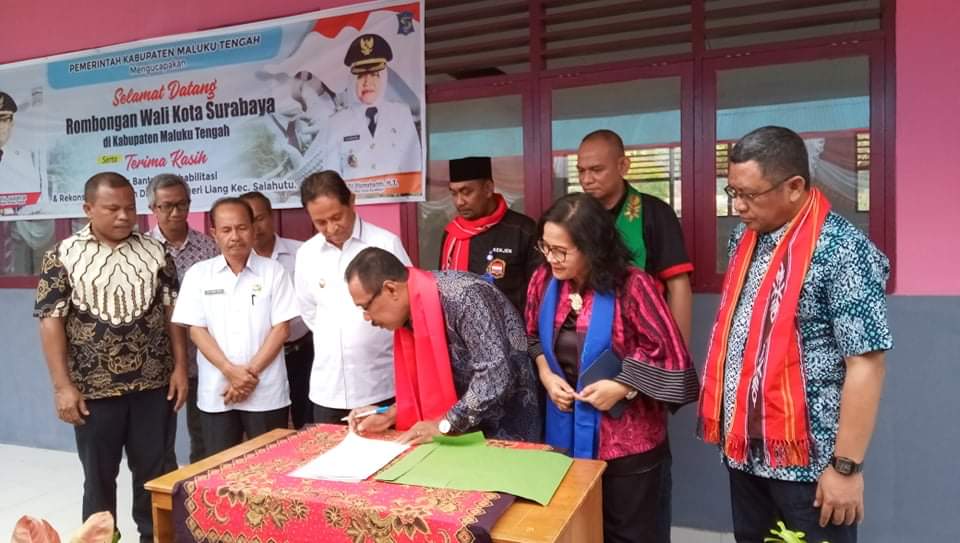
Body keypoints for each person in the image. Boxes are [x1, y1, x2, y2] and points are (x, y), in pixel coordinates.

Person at [697, 126, 892, 543]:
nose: (738, 206)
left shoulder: (842, 250)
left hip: (810, 467)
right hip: (746, 451)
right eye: (733, 192)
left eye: (750, 194)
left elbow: (866, 363)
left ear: (794, 186)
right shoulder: (744, 239)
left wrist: (846, 468)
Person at [524, 193, 697, 543]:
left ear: (592, 247)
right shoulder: (543, 281)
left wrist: (623, 385)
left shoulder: (633, 286)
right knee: (575, 532)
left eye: (561, 251)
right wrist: (546, 374)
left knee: (630, 536)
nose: (551, 258)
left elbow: (672, 356)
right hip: (563, 438)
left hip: (627, 449)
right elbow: (531, 336)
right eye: (545, 247)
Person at [34, 172, 188, 543]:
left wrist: (181, 368)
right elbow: (50, 322)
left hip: (154, 386)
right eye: (112, 208)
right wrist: (62, 387)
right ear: (88, 209)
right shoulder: (62, 255)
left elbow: (173, 312)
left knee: (156, 474)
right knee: (99, 480)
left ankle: (157, 538)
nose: (123, 216)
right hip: (93, 393)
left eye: (130, 208)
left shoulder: (156, 252)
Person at [343, 247, 543, 444]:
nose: (366, 317)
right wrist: (391, 414)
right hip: (457, 427)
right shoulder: (412, 308)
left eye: (366, 306)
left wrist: (445, 424)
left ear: (391, 289)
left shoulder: (465, 296)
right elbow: (433, 380)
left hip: (504, 429)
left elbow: (494, 374)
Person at [172, 198, 298, 455]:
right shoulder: (199, 274)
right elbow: (196, 331)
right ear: (214, 233)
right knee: (220, 467)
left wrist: (246, 377)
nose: (235, 236)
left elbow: (281, 329)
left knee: (270, 463)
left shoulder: (273, 271)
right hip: (218, 391)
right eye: (226, 230)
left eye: (242, 228)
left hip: (265, 390)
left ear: (252, 229)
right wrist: (230, 371)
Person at [294, 171, 410, 424]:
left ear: (352, 201)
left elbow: (407, 306)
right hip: (328, 389)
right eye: (320, 222)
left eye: (337, 217)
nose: (331, 228)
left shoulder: (385, 244)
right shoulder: (307, 254)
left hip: (380, 385)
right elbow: (310, 313)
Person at [576, 129, 693, 344]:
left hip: (644, 337)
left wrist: (679, 349)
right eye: (581, 171)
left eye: (596, 170)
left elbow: (678, 285)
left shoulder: (655, 212)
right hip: (586, 336)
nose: (586, 179)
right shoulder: (576, 216)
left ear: (623, 166)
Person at [146, 173, 219, 465]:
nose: (175, 212)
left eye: (182, 204)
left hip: (203, 356)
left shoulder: (209, 248)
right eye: (166, 206)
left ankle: (198, 486)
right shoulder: (142, 249)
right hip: (158, 361)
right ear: (153, 208)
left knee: (204, 435)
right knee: (158, 437)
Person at [298, 33, 420, 181]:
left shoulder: (401, 115)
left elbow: (414, 168)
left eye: (374, 75)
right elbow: (332, 177)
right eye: (361, 76)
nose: (367, 83)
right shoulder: (336, 123)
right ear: (352, 80)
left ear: (384, 77)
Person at [238, 190, 313, 428]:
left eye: (260, 218)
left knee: (307, 422)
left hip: (301, 352)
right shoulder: (237, 262)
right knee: (267, 427)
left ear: (271, 216)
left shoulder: (303, 253)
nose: (256, 227)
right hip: (259, 359)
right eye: (248, 222)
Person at [439, 156, 539, 313]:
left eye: (466, 192)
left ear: (488, 188)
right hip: (461, 325)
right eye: (454, 193)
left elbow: (538, 290)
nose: (459, 202)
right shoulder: (452, 234)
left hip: (511, 326)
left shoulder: (522, 229)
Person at [0, 91, 44, 215]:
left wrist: (11, 208)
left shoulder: (23, 157)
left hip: (15, 221)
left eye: (3, 119)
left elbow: (34, 200)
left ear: (12, 122)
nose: (0, 126)